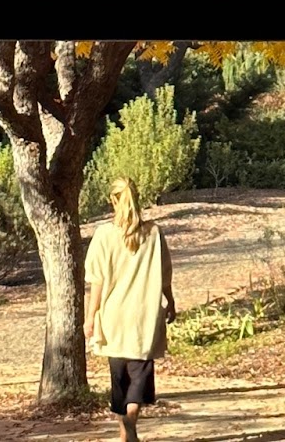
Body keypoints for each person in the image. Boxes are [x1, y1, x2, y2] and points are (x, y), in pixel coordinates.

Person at [84, 176, 176, 442]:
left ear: (113, 200)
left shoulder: (103, 235)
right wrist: (170, 301)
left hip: (113, 316)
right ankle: (131, 420)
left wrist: (90, 317)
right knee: (139, 376)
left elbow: (97, 281)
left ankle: (125, 431)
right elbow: (164, 273)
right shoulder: (154, 233)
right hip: (144, 315)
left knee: (119, 378)